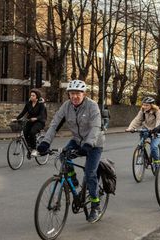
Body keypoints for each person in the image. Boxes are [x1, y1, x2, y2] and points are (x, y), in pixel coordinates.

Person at [37, 80, 105, 223]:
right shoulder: (66, 106)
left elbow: (95, 127)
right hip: (77, 140)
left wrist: (87, 145)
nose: (75, 96)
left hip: (94, 143)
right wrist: (45, 142)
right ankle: (73, 180)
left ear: (83, 94)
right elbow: (55, 124)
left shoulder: (92, 106)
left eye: (78, 93)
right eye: (72, 93)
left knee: (90, 173)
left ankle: (95, 205)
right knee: (63, 155)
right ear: (68, 94)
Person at [125, 97, 160, 166]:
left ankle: (157, 163)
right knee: (141, 143)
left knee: (154, 147)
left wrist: (156, 130)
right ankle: (141, 154)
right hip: (146, 129)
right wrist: (130, 128)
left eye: (146, 105)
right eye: (143, 105)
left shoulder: (157, 111)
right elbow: (137, 120)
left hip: (156, 130)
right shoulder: (142, 111)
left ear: (151, 105)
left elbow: (159, 121)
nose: (144, 106)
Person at [15, 88, 47, 157]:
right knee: (24, 132)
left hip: (40, 122)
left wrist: (36, 118)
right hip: (30, 121)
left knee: (32, 132)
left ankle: (34, 149)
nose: (31, 97)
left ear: (37, 97)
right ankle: (29, 146)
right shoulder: (28, 103)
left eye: (33, 95)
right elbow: (23, 112)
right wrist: (16, 119)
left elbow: (42, 115)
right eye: (31, 95)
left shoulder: (41, 104)